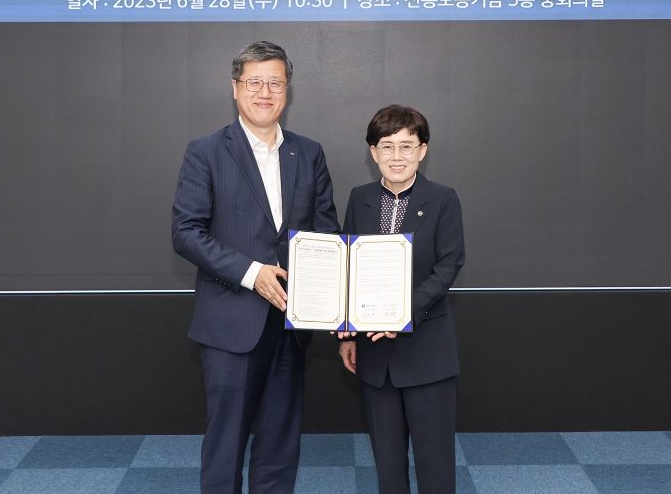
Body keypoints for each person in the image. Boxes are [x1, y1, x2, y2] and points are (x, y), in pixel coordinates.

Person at [172, 41, 338, 494]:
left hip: (292, 324)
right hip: (231, 324)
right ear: (235, 87)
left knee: (280, 445)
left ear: (287, 89)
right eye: (255, 82)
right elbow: (186, 232)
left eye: (276, 83)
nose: (265, 92)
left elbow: (325, 233)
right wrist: (252, 272)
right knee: (225, 446)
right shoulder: (206, 151)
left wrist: (337, 303)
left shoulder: (309, 152)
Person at [338, 104, 465, 494]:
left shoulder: (443, 198)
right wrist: (346, 332)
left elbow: (449, 265)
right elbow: (347, 267)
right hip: (374, 356)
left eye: (407, 146)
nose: (397, 156)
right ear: (373, 152)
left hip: (427, 352)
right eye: (387, 146)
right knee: (388, 466)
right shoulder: (360, 198)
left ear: (422, 151)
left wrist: (401, 312)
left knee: (434, 465)